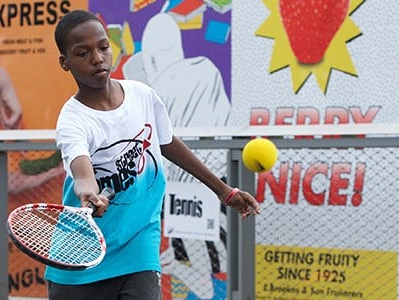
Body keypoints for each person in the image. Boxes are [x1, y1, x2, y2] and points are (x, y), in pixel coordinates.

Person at [46, 10, 260, 300]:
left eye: (103, 47)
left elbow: (167, 142)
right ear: (64, 62)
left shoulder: (142, 96)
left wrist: (224, 191)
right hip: (80, 254)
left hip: (138, 245)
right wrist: (88, 194)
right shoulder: (73, 120)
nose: (97, 58)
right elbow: (82, 172)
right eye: (83, 53)